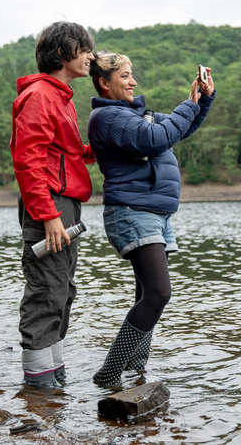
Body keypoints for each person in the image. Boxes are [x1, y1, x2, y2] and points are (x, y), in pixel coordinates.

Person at [87, 52, 215, 388]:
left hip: (153, 212)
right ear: (105, 82)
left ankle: (136, 369)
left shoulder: (133, 115)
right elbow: (156, 138)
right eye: (125, 76)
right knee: (158, 293)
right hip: (132, 211)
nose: (133, 81)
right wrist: (187, 106)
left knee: (146, 293)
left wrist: (201, 99)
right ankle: (109, 373)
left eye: (132, 75)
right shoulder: (109, 118)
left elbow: (177, 131)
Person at [10, 21, 96, 388]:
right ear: (63, 53)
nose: (91, 55)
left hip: (64, 203)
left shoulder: (60, 96)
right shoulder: (41, 95)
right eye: (85, 48)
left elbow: (69, 156)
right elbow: (27, 159)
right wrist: (47, 215)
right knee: (47, 290)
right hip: (50, 205)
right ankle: (38, 386)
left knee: (63, 289)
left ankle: (53, 377)